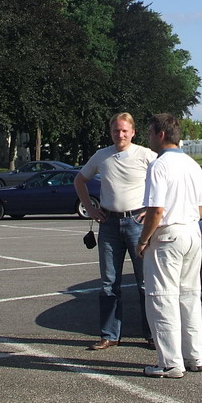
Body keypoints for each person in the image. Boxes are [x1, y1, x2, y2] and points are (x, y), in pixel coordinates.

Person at [76, 113, 157, 350]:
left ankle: (152, 334)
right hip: (109, 224)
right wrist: (90, 208)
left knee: (145, 283)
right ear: (110, 132)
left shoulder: (146, 155)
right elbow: (79, 180)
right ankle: (110, 335)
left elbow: (165, 181)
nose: (120, 135)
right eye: (116, 131)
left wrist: (151, 209)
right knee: (109, 283)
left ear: (133, 132)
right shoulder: (102, 155)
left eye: (124, 131)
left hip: (137, 223)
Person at [135, 114, 202, 379]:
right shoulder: (193, 165)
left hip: (168, 235)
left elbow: (156, 210)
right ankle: (194, 356)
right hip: (192, 231)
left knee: (162, 297)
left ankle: (170, 362)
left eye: (150, 133)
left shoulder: (159, 165)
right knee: (189, 296)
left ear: (161, 134)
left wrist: (143, 240)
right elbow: (200, 206)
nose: (148, 138)